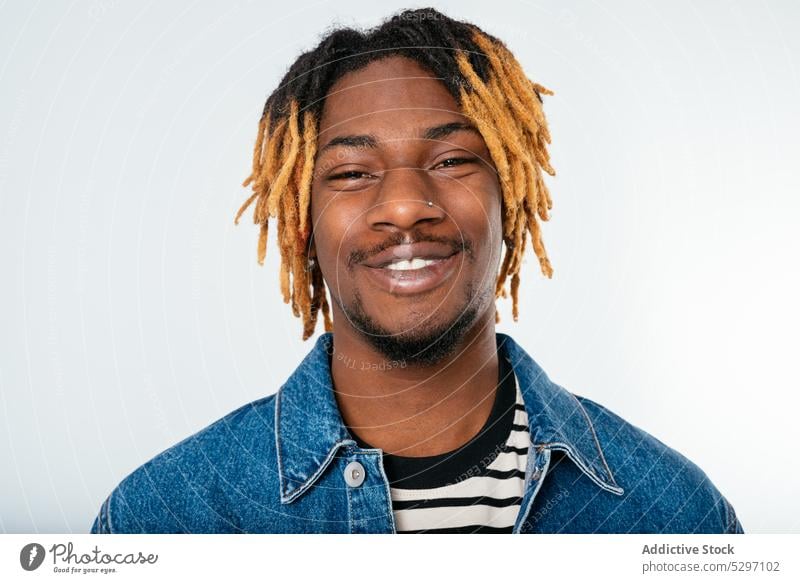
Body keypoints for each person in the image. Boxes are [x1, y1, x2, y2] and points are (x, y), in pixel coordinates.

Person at [90, 7, 742, 534]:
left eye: (453, 160)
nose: (404, 205)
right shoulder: (164, 519)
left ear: (510, 196)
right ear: (300, 221)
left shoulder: (675, 518)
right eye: (351, 173)